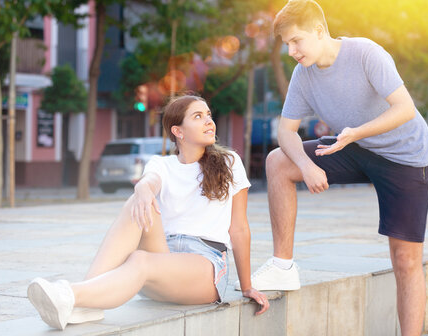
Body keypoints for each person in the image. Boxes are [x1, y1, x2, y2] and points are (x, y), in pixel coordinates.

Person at [240, 0, 428, 336]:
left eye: (296, 41)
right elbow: (284, 131)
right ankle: (283, 265)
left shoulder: (365, 53)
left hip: (406, 157)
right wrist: (305, 165)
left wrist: (356, 132)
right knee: (279, 162)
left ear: (319, 30)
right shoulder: (303, 75)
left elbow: (405, 108)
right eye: (286, 44)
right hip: (354, 144)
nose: (291, 51)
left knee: (404, 260)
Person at [27, 94, 269, 330]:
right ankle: (87, 301)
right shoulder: (162, 164)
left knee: (139, 259)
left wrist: (247, 286)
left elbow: (239, 228)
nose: (209, 121)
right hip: (162, 257)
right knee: (137, 202)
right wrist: (143, 188)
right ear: (178, 131)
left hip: (204, 268)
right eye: (198, 116)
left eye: (208, 115)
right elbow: (150, 180)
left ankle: (69, 293)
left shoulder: (229, 162)